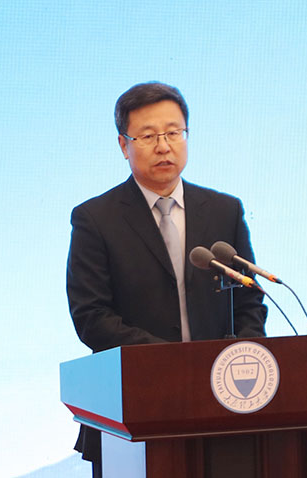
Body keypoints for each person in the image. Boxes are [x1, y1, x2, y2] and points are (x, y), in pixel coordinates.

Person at [66, 81, 267, 475]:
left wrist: (244, 361)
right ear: (124, 145)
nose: (164, 146)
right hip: (133, 412)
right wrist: (172, 365)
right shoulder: (95, 219)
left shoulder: (224, 211)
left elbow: (249, 301)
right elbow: (91, 317)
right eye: (148, 136)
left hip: (224, 407)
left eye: (174, 132)